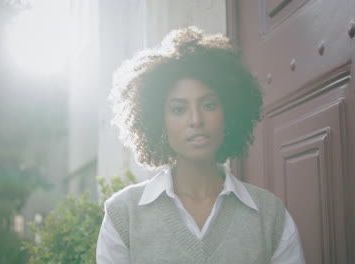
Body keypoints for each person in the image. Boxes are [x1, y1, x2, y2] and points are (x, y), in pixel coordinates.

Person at [96, 26, 305, 264]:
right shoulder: (124, 214)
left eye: (208, 105)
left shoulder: (270, 216)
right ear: (157, 121)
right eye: (178, 109)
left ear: (228, 113)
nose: (196, 120)